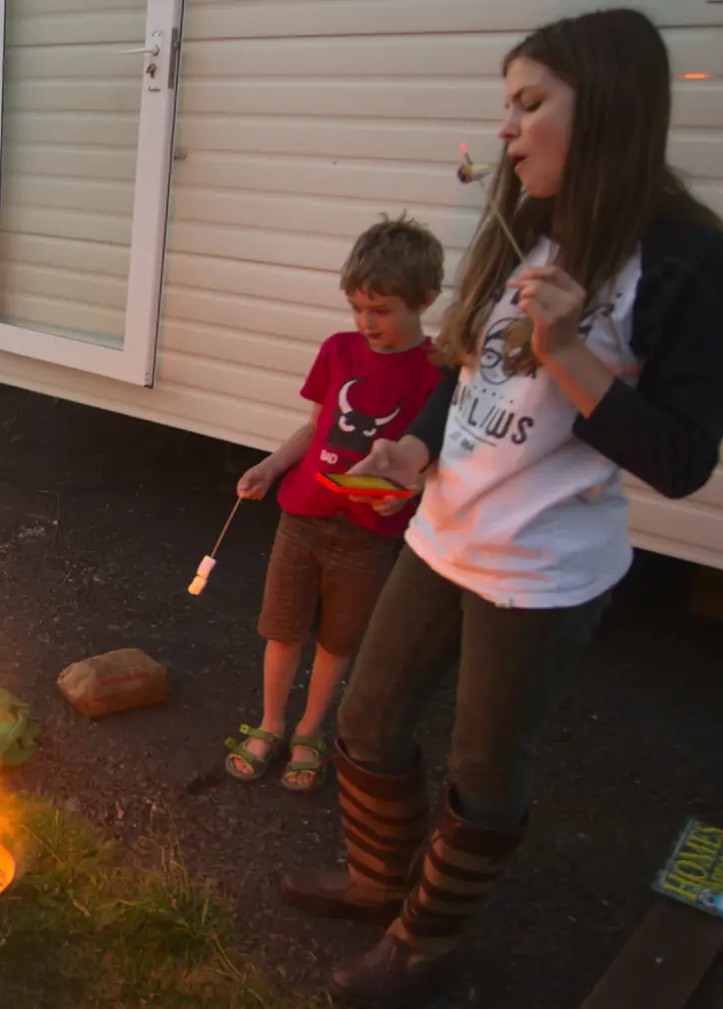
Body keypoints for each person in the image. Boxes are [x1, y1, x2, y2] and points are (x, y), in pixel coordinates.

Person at [278, 10, 723, 1005]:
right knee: (367, 719)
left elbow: (684, 459)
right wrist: (419, 443)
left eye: (529, 105)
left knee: (484, 766)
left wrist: (569, 352)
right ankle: (375, 884)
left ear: (603, 110)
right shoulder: (524, 215)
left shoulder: (684, 260)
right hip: (442, 531)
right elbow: (462, 367)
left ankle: (423, 945)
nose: (508, 132)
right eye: (506, 108)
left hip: (541, 571)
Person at [226, 215, 447, 792]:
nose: (366, 324)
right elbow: (318, 425)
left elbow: (434, 462)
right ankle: (271, 723)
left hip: (367, 533)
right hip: (302, 515)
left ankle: (308, 731)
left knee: (337, 640)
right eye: (357, 309)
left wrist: (405, 496)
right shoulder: (339, 350)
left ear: (424, 299)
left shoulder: (436, 372)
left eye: (381, 311)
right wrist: (273, 466)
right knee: (282, 629)